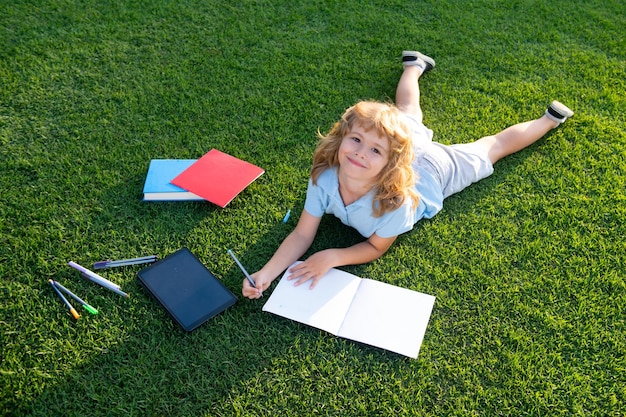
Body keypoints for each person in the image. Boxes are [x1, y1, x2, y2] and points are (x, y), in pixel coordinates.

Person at [242, 50, 574, 299]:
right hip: (401, 144)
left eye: (373, 150)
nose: (360, 152)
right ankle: (414, 65)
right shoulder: (325, 177)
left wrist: (334, 256)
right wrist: (267, 272)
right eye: (356, 140)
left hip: (433, 170)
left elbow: (375, 247)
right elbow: (301, 235)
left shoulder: (394, 203)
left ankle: (549, 120)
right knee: (405, 114)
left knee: (492, 147)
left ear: (388, 162)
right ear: (341, 138)